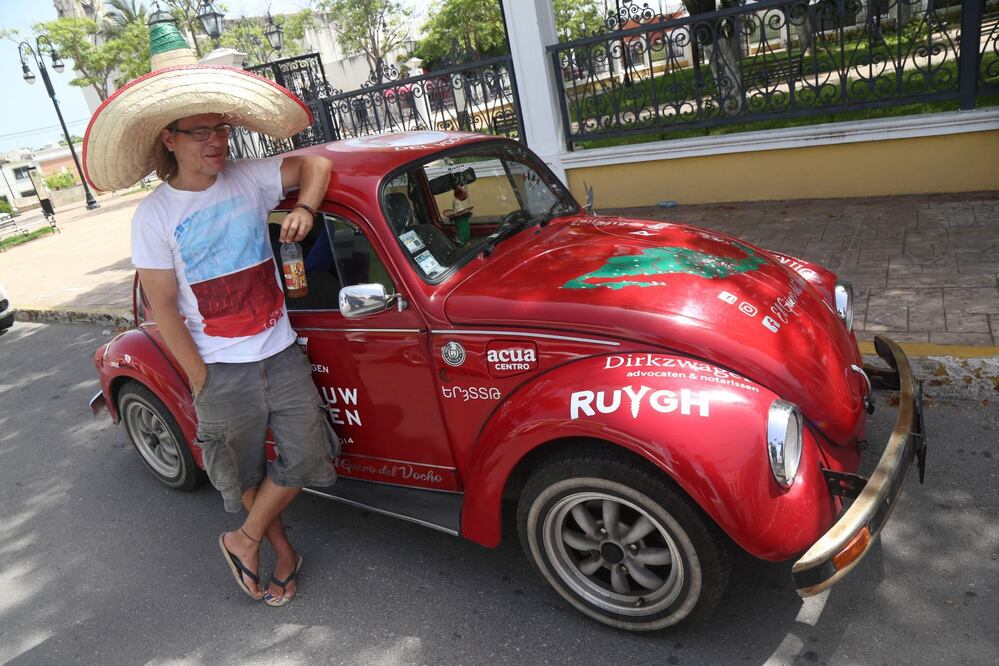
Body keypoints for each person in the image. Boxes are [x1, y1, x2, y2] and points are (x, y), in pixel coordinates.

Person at [82, 23, 337, 606]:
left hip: (278, 351)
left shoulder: (248, 180)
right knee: (241, 476)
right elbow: (163, 308)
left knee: (308, 455)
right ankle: (283, 553)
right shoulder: (153, 216)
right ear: (168, 138)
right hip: (220, 368)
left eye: (221, 127)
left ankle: (242, 540)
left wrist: (305, 206)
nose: (217, 141)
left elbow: (315, 166)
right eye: (200, 132)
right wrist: (199, 377)